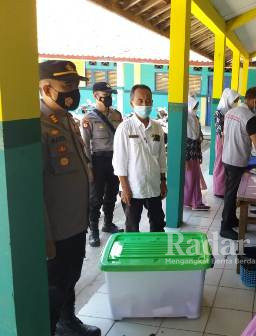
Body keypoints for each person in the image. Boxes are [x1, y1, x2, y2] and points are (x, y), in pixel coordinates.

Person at [39, 60, 100, 336]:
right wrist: (45, 236)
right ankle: (50, 329)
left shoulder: (68, 120)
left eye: (76, 85)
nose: (73, 91)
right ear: (46, 87)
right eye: (67, 86)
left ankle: (68, 322)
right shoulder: (37, 126)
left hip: (76, 221)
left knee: (71, 276)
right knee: (53, 287)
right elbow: (35, 188)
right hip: (56, 229)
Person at [112, 84, 167, 232]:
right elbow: (119, 162)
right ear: (132, 103)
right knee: (132, 226)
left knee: (158, 223)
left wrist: (163, 181)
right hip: (132, 188)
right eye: (140, 101)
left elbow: (161, 157)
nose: (145, 104)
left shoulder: (157, 128)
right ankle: (133, 254)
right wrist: (125, 189)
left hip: (153, 185)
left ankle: (156, 251)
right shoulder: (125, 128)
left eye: (148, 101)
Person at [220, 87, 256, 240]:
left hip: (227, 157)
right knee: (231, 193)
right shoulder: (249, 117)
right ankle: (225, 227)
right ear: (255, 100)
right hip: (237, 160)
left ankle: (232, 218)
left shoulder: (230, 112)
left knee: (231, 192)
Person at [81, 82, 123, 247]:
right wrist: (89, 168)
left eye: (110, 94)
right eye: (106, 95)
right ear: (96, 96)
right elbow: (85, 145)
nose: (109, 98)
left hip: (115, 160)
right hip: (98, 161)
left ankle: (108, 224)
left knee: (111, 194)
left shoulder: (117, 116)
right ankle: (93, 231)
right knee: (95, 198)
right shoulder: (88, 119)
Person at [184, 95, 210, 211]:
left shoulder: (195, 118)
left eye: (196, 106)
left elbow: (198, 138)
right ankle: (190, 201)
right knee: (189, 179)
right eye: (194, 106)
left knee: (194, 178)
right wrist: (184, 159)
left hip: (194, 154)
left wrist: (199, 155)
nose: (195, 108)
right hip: (187, 154)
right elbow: (183, 140)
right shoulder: (185, 118)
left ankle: (196, 202)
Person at [213, 88, 240, 198]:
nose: (236, 103)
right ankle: (218, 190)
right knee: (220, 162)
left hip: (228, 139)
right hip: (221, 140)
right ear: (228, 99)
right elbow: (220, 131)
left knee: (226, 163)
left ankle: (224, 188)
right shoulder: (219, 112)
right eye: (235, 100)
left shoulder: (230, 111)